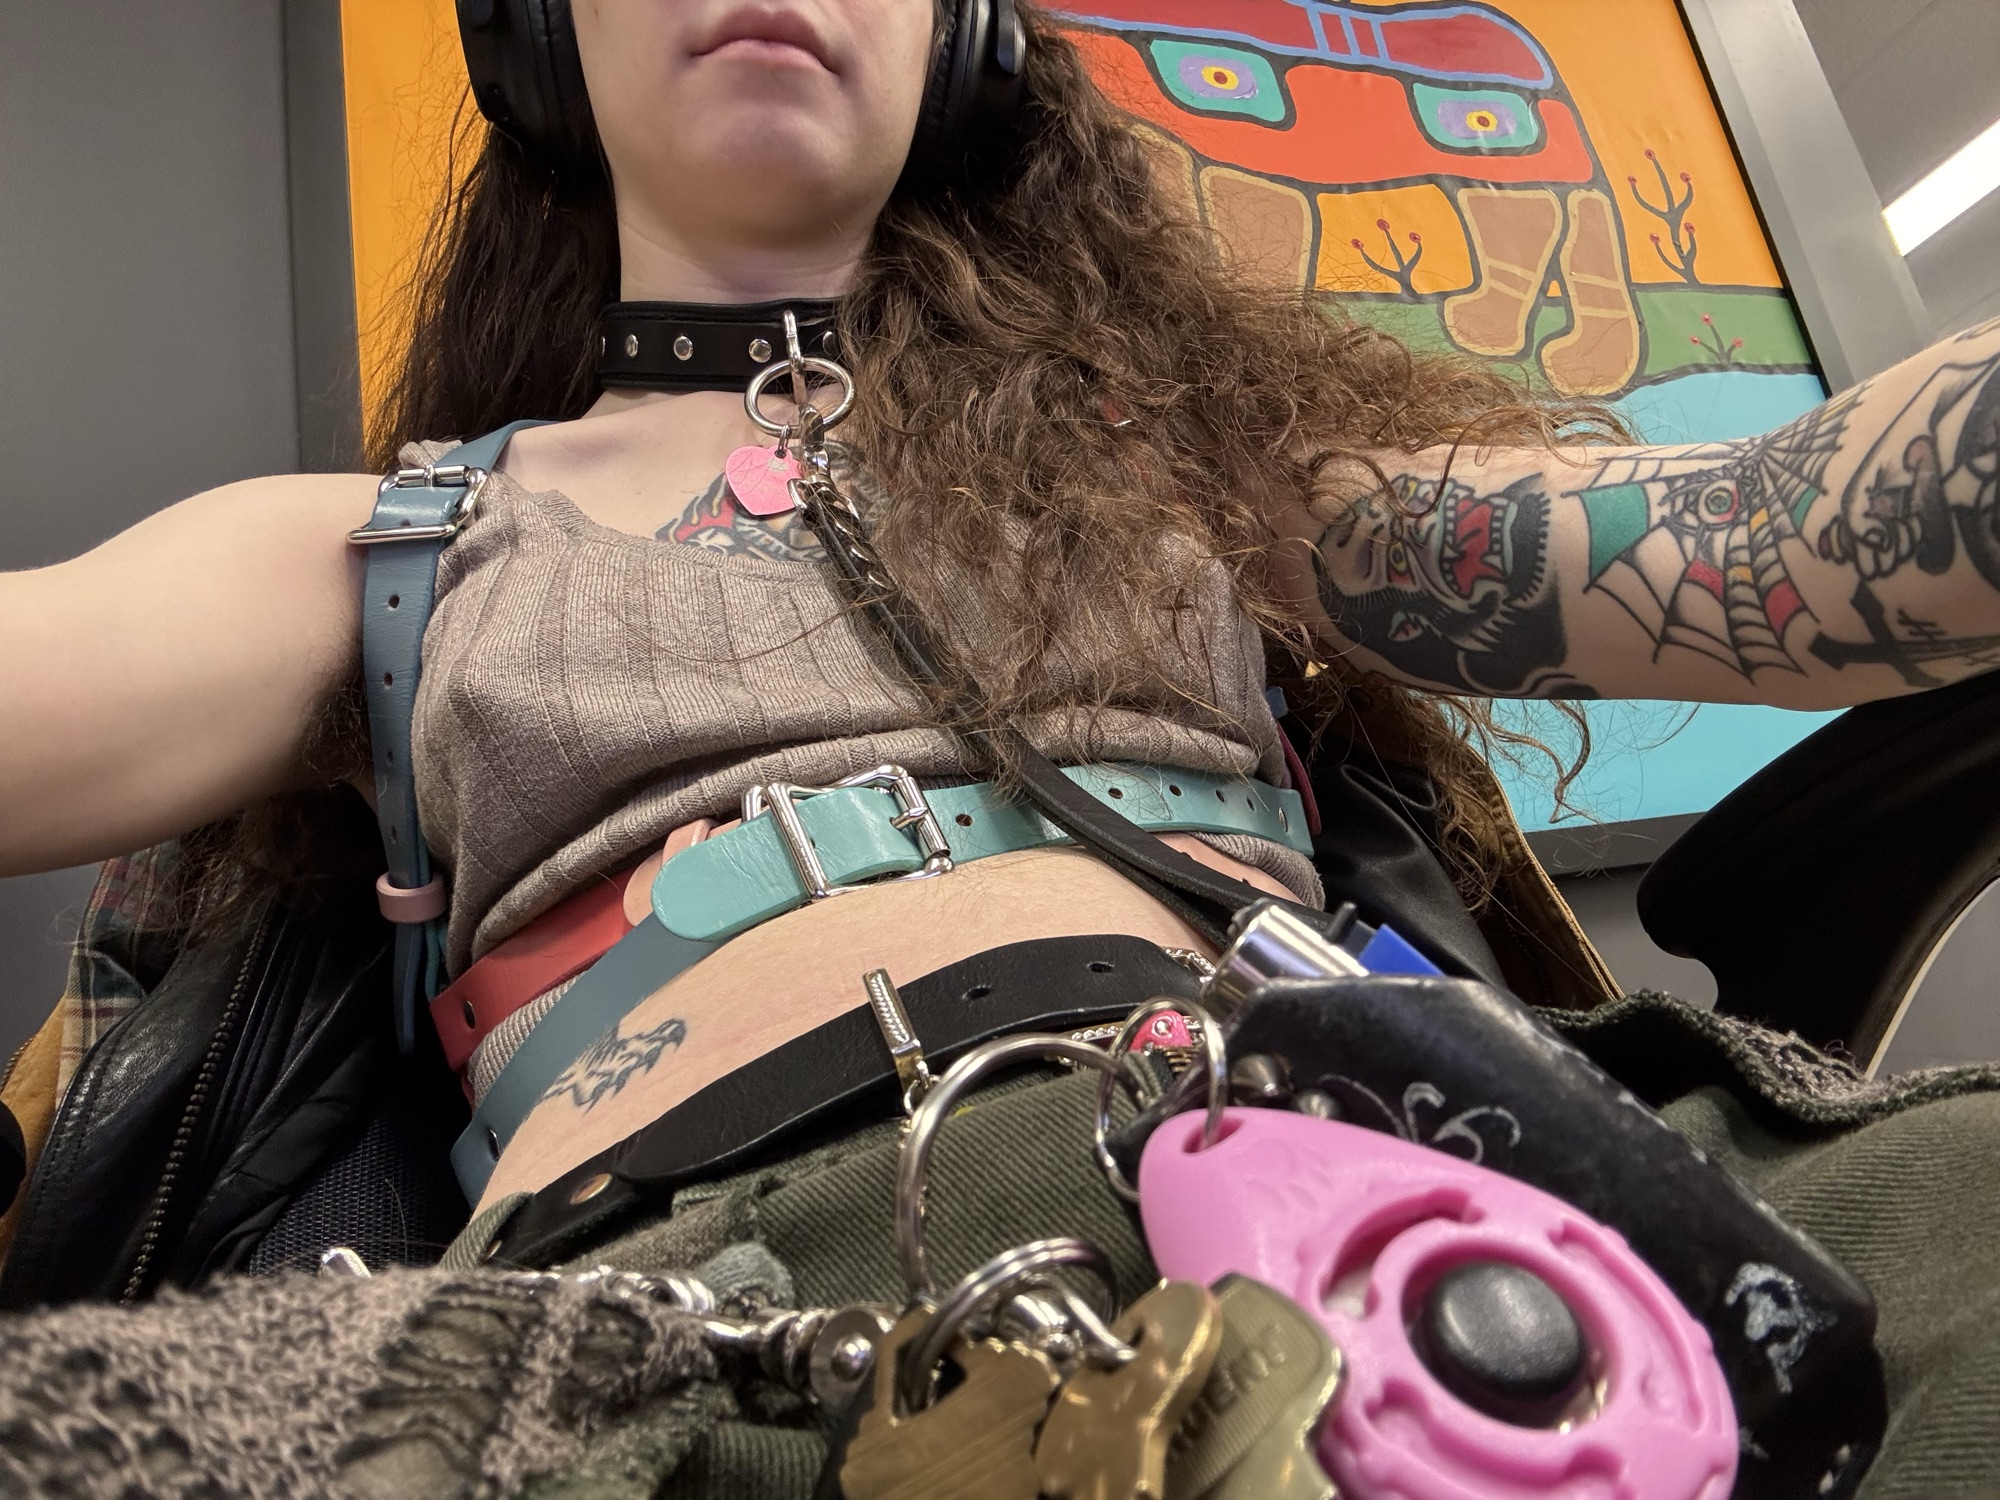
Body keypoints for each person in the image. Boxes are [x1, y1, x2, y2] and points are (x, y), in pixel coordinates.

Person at [0, 1, 1997, 1494]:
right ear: (542, 30)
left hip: (1389, 1183)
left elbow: (1774, 546)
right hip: (695, 1317)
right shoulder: (390, 549)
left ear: (958, 41)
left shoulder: (1195, 475)